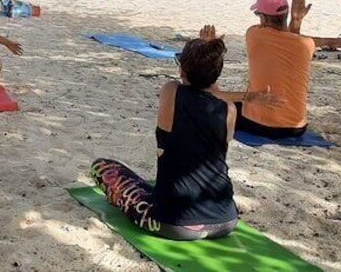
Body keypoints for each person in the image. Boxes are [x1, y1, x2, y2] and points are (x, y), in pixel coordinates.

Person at [91, 29, 273, 241]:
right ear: (216, 75)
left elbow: (202, 91)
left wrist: (201, 52)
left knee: (102, 167)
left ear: (182, 71)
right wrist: (244, 93)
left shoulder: (171, 91)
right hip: (226, 220)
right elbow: (212, 95)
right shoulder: (229, 110)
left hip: (173, 223)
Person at [238, 0, 341, 138]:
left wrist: (296, 22)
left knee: (225, 105)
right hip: (296, 127)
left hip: (260, 126)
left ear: (263, 18)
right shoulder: (305, 45)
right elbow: (292, 40)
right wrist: (298, 23)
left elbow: (286, 39)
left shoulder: (253, 34)